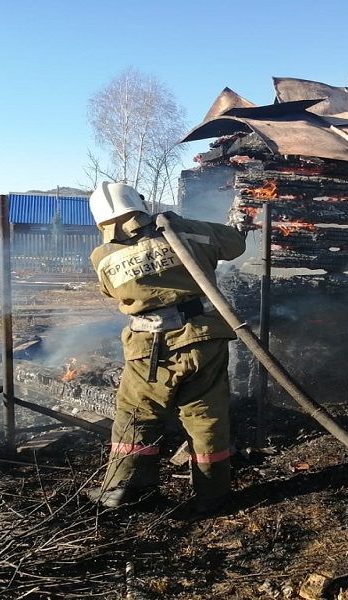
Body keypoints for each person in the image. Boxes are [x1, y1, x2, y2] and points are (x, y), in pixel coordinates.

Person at [85, 181, 249, 514]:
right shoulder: (183, 229)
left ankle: (123, 491)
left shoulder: (102, 257)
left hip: (147, 347)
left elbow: (111, 293)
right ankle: (212, 497)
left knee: (136, 417)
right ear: (139, 205)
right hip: (202, 337)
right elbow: (234, 245)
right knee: (207, 416)